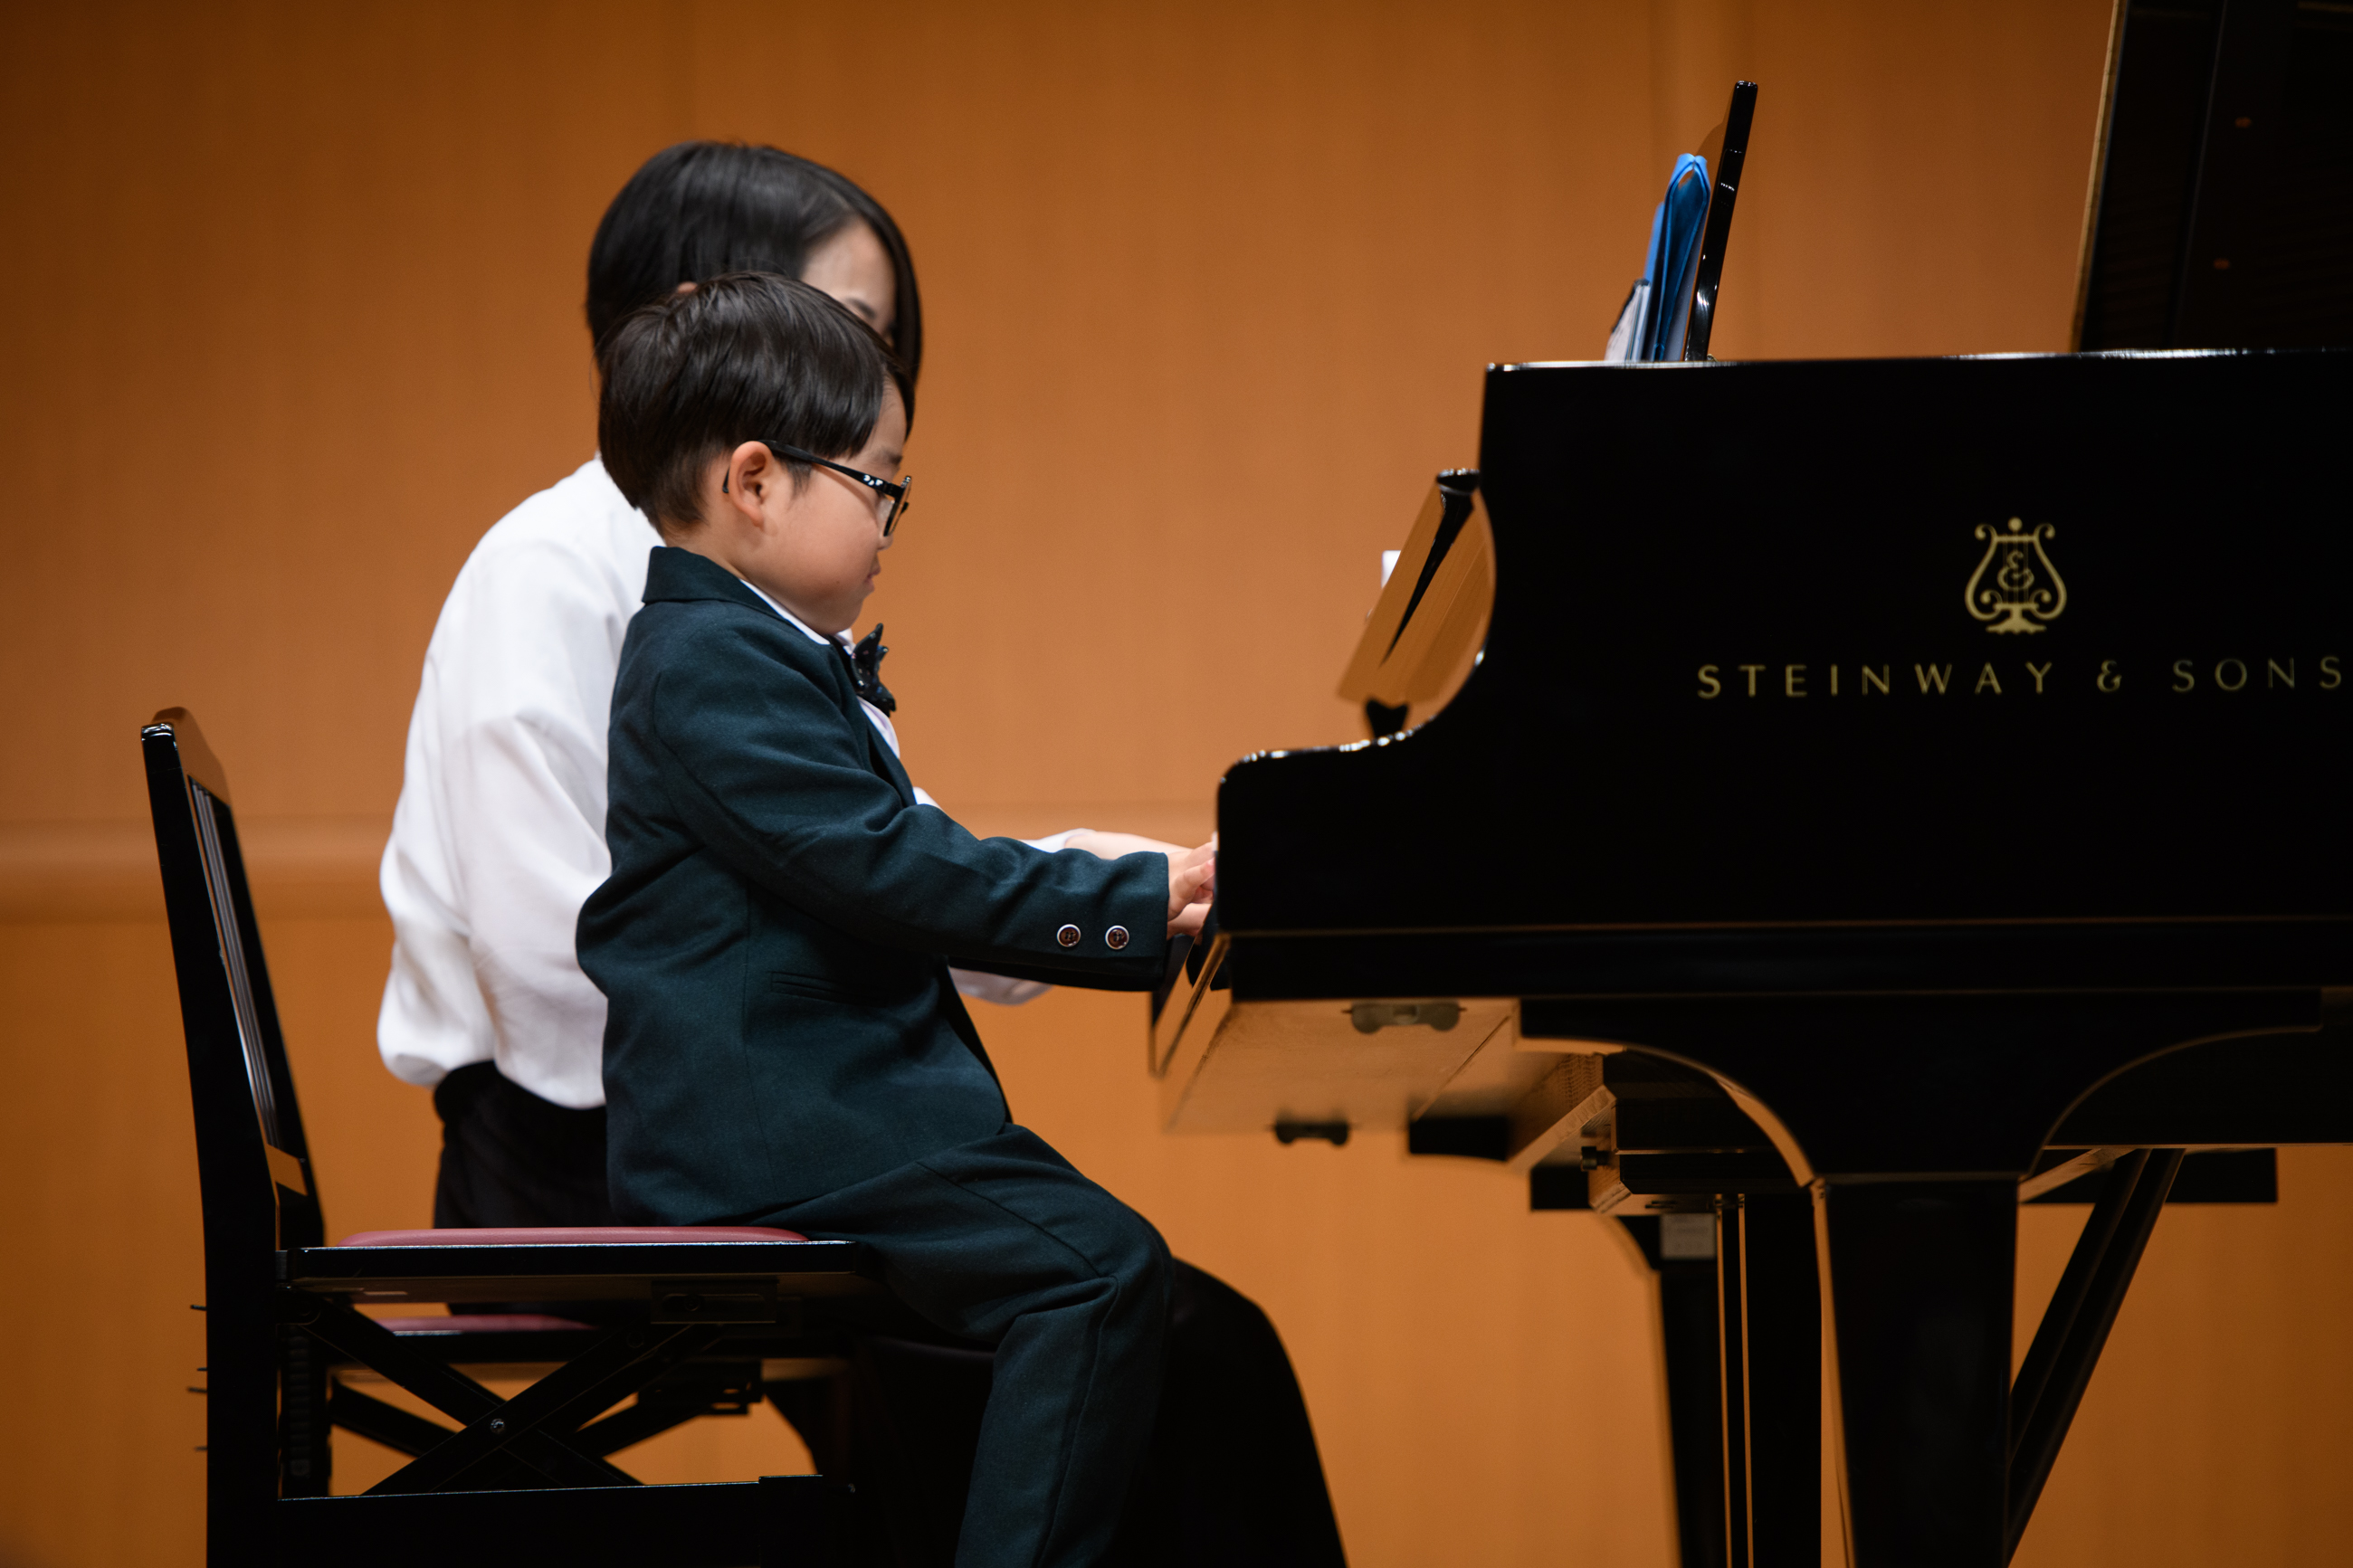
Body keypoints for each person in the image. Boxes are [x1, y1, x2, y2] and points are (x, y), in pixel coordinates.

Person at [376, 141, 1346, 1566]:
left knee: (1176, 1345)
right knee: (1131, 1331)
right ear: (723, 341)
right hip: (612, 1140)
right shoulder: (577, 580)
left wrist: (1145, 885)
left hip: (757, 1100)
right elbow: (569, 958)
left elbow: (887, 859)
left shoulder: (742, 606)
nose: (873, 372)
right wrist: (1079, 923)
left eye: (882, 339)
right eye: (847, 332)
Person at [583, 273, 1196, 1568]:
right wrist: (1136, 906)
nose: (892, 520)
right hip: (777, 1135)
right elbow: (899, 871)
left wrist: (1141, 891)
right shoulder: (703, 663)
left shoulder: (738, 651)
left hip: (820, 1114)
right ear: (756, 482)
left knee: (1123, 1286)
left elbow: (909, 865)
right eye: (880, 483)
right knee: (1098, 1270)